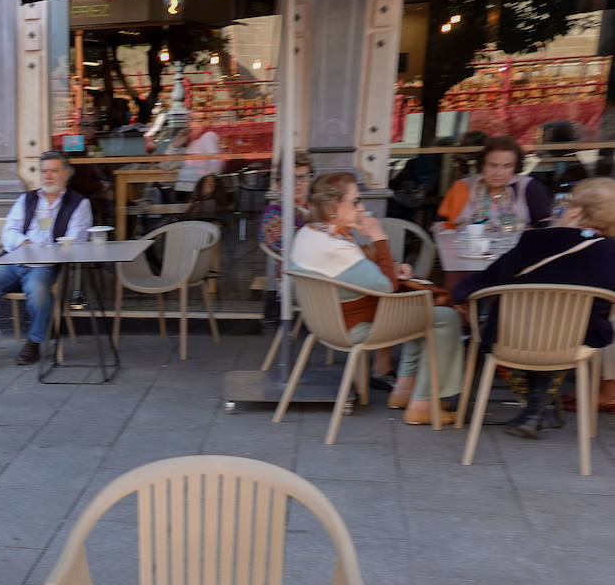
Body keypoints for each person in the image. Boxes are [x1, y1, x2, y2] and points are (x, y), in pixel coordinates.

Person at [291, 172, 463, 426]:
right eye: (355, 202)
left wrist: (389, 266)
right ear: (332, 208)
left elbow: (360, 272)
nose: (361, 208)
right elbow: (387, 288)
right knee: (445, 317)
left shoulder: (309, 233)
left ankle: (404, 391)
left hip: (325, 324)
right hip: (355, 327)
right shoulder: (337, 247)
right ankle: (422, 404)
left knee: (422, 314)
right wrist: (379, 238)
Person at [452, 177, 615, 437]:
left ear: (575, 212)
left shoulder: (533, 241)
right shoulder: (611, 252)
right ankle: (536, 410)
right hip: (575, 341)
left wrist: (459, 295)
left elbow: (490, 277)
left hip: (513, 339)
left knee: (513, 332)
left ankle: (533, 410)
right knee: (560, 332)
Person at [0, 152, 92, 372]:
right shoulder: (27, 199)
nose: (47, 176)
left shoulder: (79, 204)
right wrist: (25, 244)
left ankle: (34, 342)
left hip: (45, 265)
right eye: (44, 171)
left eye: (53, 171)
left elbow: (76, 239)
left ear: (66, 174)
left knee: (39, 292)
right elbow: (9, 231)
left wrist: (46, 251)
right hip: (15, 259)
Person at [433, 134, 552, 232]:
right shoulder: (462, 187)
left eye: (507, 166)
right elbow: (442, 227)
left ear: (515, 167)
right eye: (493, 165)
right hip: (468, 251)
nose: (498, 173)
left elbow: (546, 228)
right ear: (482, 165)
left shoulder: (530, 188)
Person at [259, 151, 312, 326]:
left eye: (303, 177)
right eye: (292, 178)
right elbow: (292, 246)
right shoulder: (273, 214)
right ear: (279, 185)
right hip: (299, 280)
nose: (298, 183)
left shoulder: (316, 208)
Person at [172, 127, 222, 201]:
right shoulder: (189, 140)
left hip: (197, 189)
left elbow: (216, 161)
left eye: (196, 121)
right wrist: (175, 147)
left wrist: (211, 177)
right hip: (183, 187)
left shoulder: (208, 136)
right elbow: (166, 166)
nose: (192, 125)